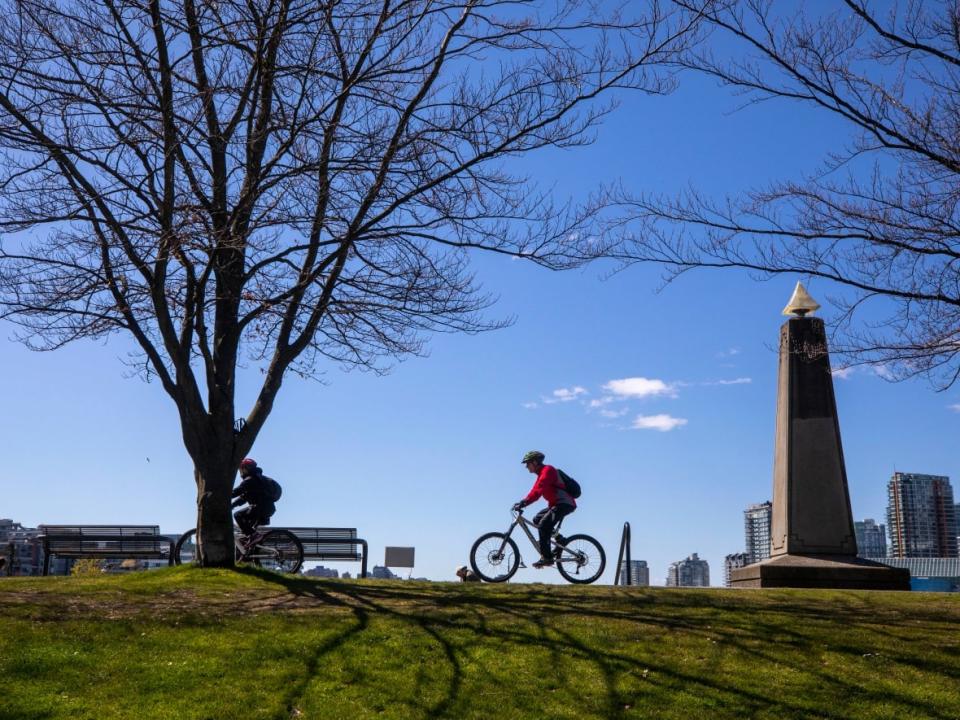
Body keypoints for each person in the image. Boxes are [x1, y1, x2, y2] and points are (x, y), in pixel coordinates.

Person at [512, 450, 576, 569]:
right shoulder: (541, 474)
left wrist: (525, 503)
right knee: (537, 520)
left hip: (564, 503)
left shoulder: (548, 471)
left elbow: (538, 491)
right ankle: (560, 540)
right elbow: (534, 490)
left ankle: (547, 558)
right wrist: (523, 501)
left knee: (543, 525)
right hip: (555, 505)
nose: (526, 467)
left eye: (528, 463)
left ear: (535, 462)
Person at [231, 458, 277, 542]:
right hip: (268, 508)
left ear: (246, 468)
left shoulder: (250, 480)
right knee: (247, 533)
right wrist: (233, 505)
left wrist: (224, 497)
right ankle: (254, 548)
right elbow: (244, 497)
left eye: (241, 469)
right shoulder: (259, 479)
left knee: (238, 515)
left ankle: (254, 536)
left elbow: (236, 492)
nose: (240, 472)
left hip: (260, 508)